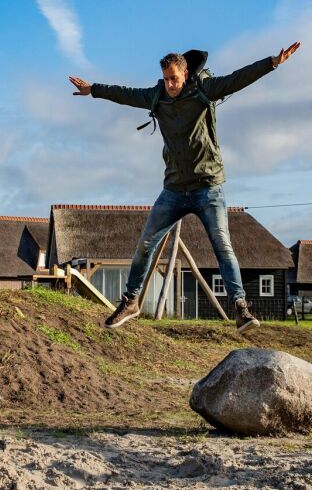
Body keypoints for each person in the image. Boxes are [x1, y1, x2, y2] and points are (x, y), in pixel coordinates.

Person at [69, 42, 299, 331]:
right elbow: (125, 94)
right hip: (175, 189)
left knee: (223, 246)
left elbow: (238, 79)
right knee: (145, 244)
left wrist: (272, 62)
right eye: (165, 78)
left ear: (186, 74)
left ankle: (241, 309)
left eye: (174, 78)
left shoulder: (204, 89)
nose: (170, 84)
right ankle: (131, 302)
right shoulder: (157, 96)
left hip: (208, 186)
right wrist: (94, 90)